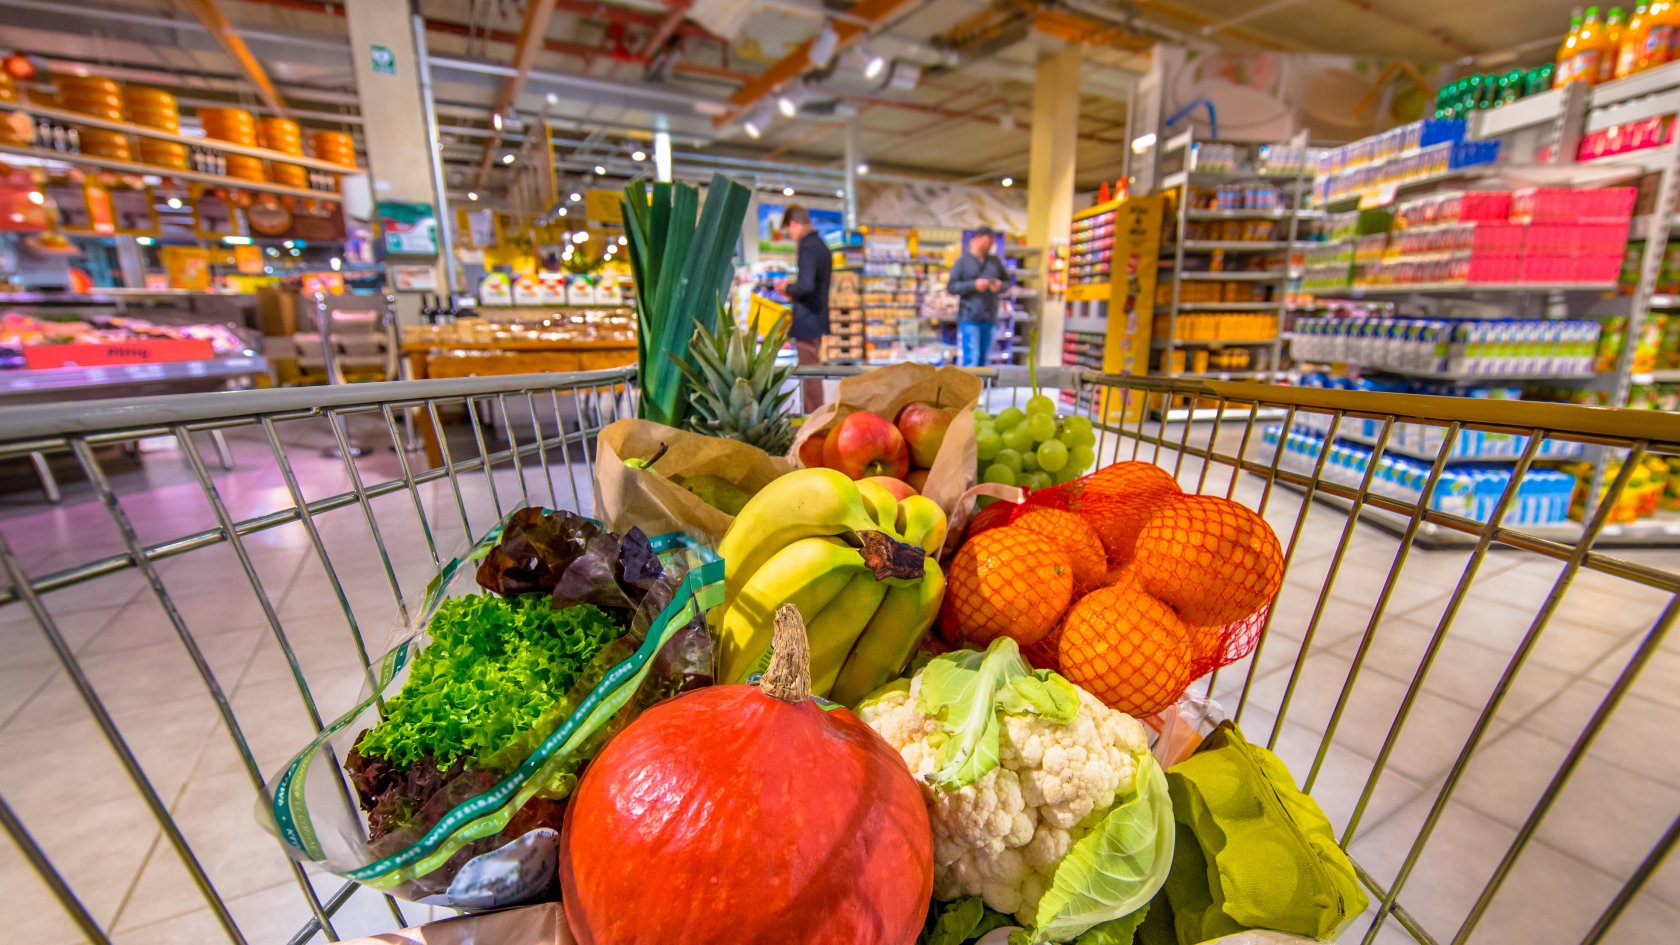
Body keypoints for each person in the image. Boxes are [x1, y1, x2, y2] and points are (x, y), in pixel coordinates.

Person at [773, 205, 831, 410]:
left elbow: (806, 285)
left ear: (795, 224)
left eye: (789, 231)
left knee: (810, 373)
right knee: (812, 370)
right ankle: (815, 414)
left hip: (808, 321)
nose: (791, 235)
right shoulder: (820, 245)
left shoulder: (808, 246)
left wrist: (786, 287)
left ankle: (813, 417)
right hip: (817, 317)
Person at [947, 226, 1012, 368]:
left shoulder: (995, 261)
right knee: (972, 359)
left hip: (990, 317)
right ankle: (968, 390)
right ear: (977, 239)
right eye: (987, 241)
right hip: (970, 317)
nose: (989, 245)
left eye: (991, 243)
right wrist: (973, 285)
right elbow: (951, 287)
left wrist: (999, 286)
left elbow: (1008, 284)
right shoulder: (962, 262)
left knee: (984, 361)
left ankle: (981, 389)